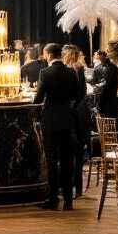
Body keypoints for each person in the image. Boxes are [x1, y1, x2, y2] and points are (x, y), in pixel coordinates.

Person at [33, 42, 79, 211]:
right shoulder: (71, 72)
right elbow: (78, 96)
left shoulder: (45, 73)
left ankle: (53, 200)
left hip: (50, 121)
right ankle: (68, 201)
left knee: (52, 160)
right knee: (67, 161)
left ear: (49, 55)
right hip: (67, 120)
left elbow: (38, 98)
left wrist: (38, 111)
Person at [63, 44, 89, 198]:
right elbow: (83, 92)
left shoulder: (69, 71)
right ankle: (78, 188)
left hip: (73, 114)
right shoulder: (80, 69)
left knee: (69, 152)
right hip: (82, 111)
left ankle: (68, 187)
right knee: (78, 152)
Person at [94, 50, 118, 121]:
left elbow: (96, 84)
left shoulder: (99, 68)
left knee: (103, 121)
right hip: (113, 97)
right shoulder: (114, 67)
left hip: (103, 99)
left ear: (99, 58)